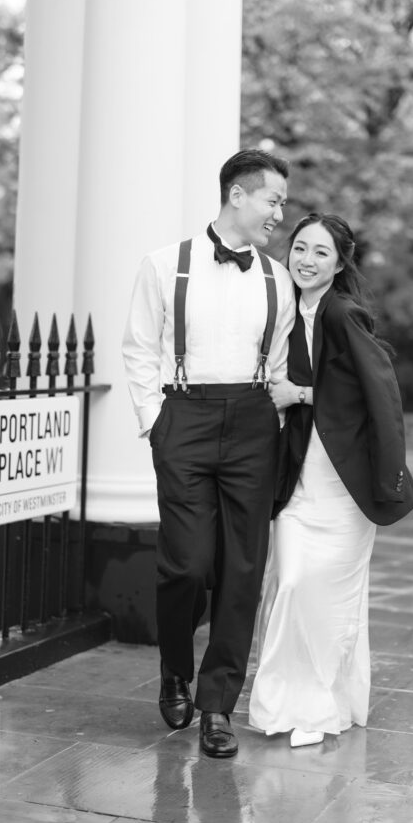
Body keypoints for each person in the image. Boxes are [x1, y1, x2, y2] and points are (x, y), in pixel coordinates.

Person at [122, 149, 295, 759]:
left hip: (252, 422)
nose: (280, 212)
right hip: (185, 419)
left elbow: (277, 364)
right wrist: (157, 423)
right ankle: (175, 667)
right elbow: (139, 348)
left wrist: (271, 416)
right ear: (238, 195)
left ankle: (217, 704)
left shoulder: (279, 280)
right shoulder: (165, 265)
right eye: (273, 199)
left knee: (243, 571)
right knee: (188, 564)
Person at [248, 212, 413, 747]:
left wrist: (297, 394)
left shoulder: (344, 314)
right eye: (300, 248)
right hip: (297, 481)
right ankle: (286, 703)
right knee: (291, 584)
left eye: (321, 252)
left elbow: (378, 394)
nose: (306, 260)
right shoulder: (281, 311)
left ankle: (323, 707)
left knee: (331, 598)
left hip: (344, 486)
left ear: (340, 261)